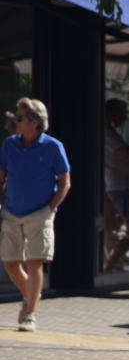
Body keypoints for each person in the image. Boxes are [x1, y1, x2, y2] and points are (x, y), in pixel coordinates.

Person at [0, 98, 71, 332]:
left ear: (34, 122)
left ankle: (29, 313)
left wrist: (50, 209)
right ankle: (32, 296)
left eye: (19, 118)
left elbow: (64, 183)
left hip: (40, 213)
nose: (15, 122)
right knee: (10, 263)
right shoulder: (9, 144)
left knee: (34, 263)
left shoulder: (53, 146)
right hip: (11, 211)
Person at [102, 98, 129, 272]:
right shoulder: (108, 134)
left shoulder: (110, 132)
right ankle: (110, 264)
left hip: (117, 183)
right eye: (122, 112)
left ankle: (113, 263)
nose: (125, 116)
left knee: (119, 228)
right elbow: (128, 153)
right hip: (119, 184)